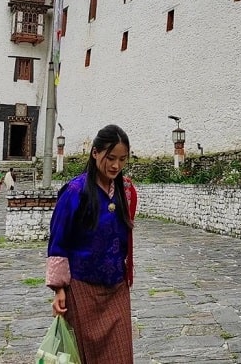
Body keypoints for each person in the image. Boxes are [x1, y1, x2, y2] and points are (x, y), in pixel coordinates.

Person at [46, 124, 137, 364]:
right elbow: (58, 240)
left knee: (121, 356)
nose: (116, 165)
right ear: (95, 153)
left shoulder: (125, 191)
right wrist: (59, 289)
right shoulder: (75, 192)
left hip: (116, 287)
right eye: (110, 158)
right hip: (82, 288)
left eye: (122, 159)